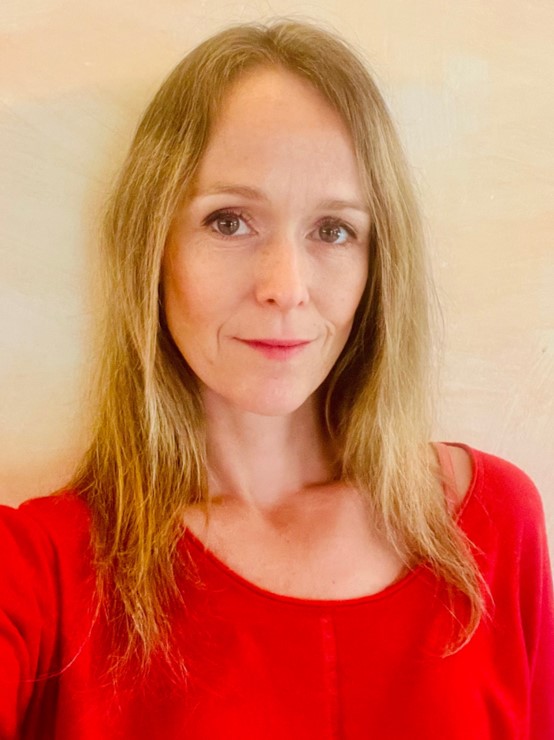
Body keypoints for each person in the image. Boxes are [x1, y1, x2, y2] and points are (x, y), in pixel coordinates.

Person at [0, 19, 552, 740]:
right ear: (152, 246)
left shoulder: (493, 524)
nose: (285, 287)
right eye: (229, 221)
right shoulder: (43, 572)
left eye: (333, 230)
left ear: (377, 264)